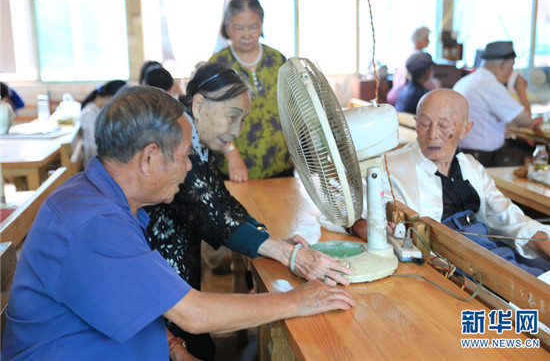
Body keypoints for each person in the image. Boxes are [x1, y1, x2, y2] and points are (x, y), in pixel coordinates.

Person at [1, 86, 356, 361]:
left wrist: (171, 344)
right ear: (150, 158)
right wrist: (299, 300)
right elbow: (195, 313)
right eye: (186, 154)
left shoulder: (100, 198)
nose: (189, 167)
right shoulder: (93, 223)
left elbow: (126, 292)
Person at [145, 62, 353, 360]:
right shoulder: (179, 146)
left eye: (243, 120)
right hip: (158, 288)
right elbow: (212, 216)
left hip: (176, 279)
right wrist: (287, 254)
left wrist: (271, 240)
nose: (237, 131)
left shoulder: (197, 141)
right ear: (200, 104)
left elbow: (222, 200)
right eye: (232, 116)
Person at [349, 89, 550, 280]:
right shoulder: (388, 166)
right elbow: (345, 205)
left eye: (444, 125)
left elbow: (507, 216)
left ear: (465, 129)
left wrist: (542, 243)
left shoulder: (471, 166)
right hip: (452, 259)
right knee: (534, 281)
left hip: (488, 246)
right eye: (424, 124)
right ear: (416, 123)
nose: (432, 134)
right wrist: (360, 226)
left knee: (541, 265)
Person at [209, 0, 293, 182]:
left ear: (261, 25)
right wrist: (231, 155)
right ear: (227, 28)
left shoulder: (278, 60)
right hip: (234, 169)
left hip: (281, 165)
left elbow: (295, 107)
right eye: (239, 27)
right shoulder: (218, 65)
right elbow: (210, 116)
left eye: (253, 26)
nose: (246, 34)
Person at [453, 41, 544, 167]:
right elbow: (526, 120)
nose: (511, 72)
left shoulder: (465, 81)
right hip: (483, 159)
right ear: (504, 65)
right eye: (512, 67)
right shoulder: (489, 85)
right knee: (529, 165)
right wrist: (521, 90)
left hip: (462, 155)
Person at [387, 26, 441, 106]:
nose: (429, 41)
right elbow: (426, 82)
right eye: (426, 38)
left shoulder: (410, 55)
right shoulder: (419, 58)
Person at [80, 80, 127, 166]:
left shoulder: (97, 110)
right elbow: (93, 148)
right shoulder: (89, 114)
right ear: (110, 98)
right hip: (96, 165)